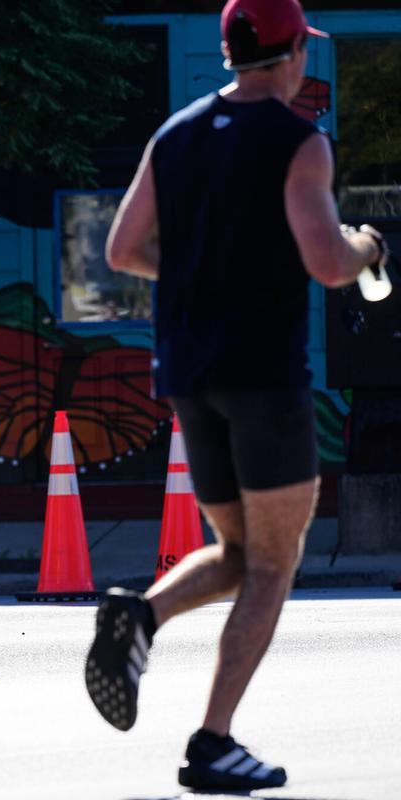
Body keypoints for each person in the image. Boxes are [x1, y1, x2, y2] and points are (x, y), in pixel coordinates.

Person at [87, 0, 389, 792]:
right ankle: (213, 741)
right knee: (274, 564)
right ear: (291, 54)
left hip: (190, 374)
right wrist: (367, 245)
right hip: (264, 373)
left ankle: (139, 616)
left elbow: (123, 248)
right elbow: (327, 262)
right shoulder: (300, 141)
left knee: (239, 552)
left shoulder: (177, 133)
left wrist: (196, 276)